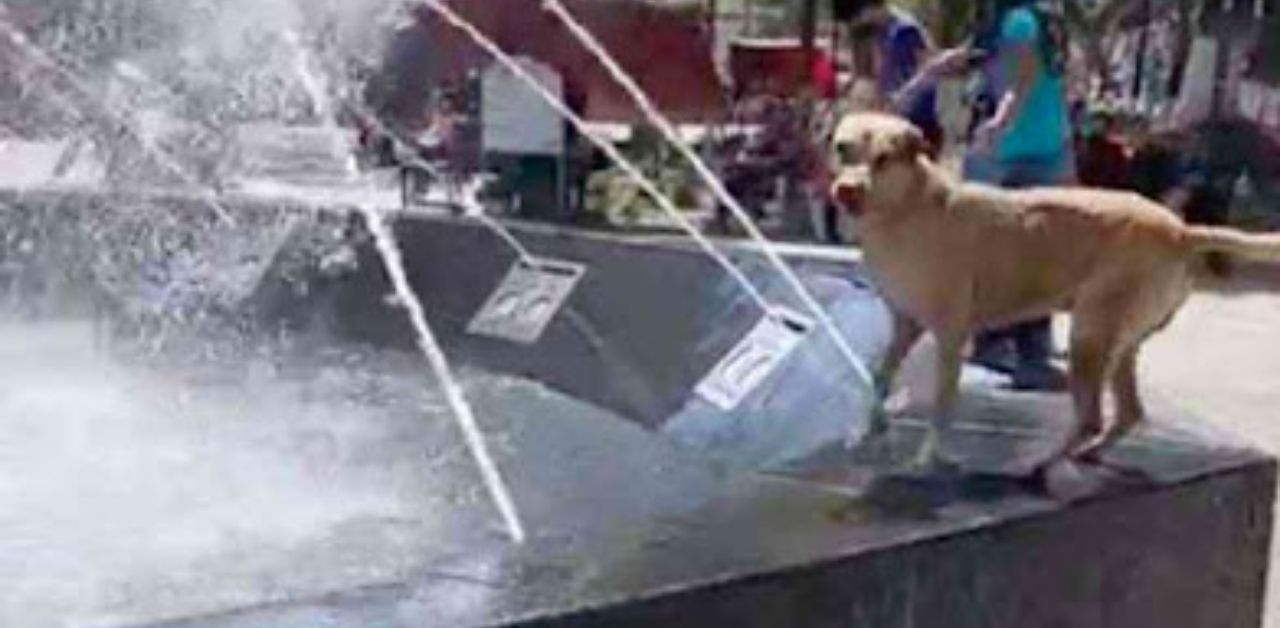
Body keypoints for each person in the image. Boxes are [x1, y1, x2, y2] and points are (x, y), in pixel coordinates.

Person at [968, 0, 1073, 391]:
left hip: (1031, 150)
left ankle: (996, 341)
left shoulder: (1021, 21)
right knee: (1035, 258)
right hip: (1030, 153)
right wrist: (998, 124)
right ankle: (1026, 353)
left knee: (1015, 253)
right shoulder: (1023, 21)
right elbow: (1024, 79)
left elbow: (1027, 78)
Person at [846, 0, 977, 156]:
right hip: (895, 122)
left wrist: (897, 101)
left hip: (917, 126)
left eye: (861, 17)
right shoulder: (882, 34)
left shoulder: (906, 32)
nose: (861, 22)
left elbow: (928, 72)